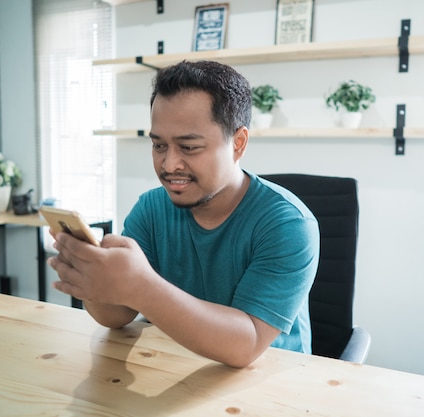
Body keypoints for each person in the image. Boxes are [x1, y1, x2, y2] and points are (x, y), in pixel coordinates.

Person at [48, 60, 320, 368]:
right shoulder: (150, 209)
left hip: (277, 384)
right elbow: (117, 316)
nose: (169, 165)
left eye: (188, 148)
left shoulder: (287, 223)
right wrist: (92, 277)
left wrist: (140, 285)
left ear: (238, 143)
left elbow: (246, 344)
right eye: (159, 145)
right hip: (176, 365)